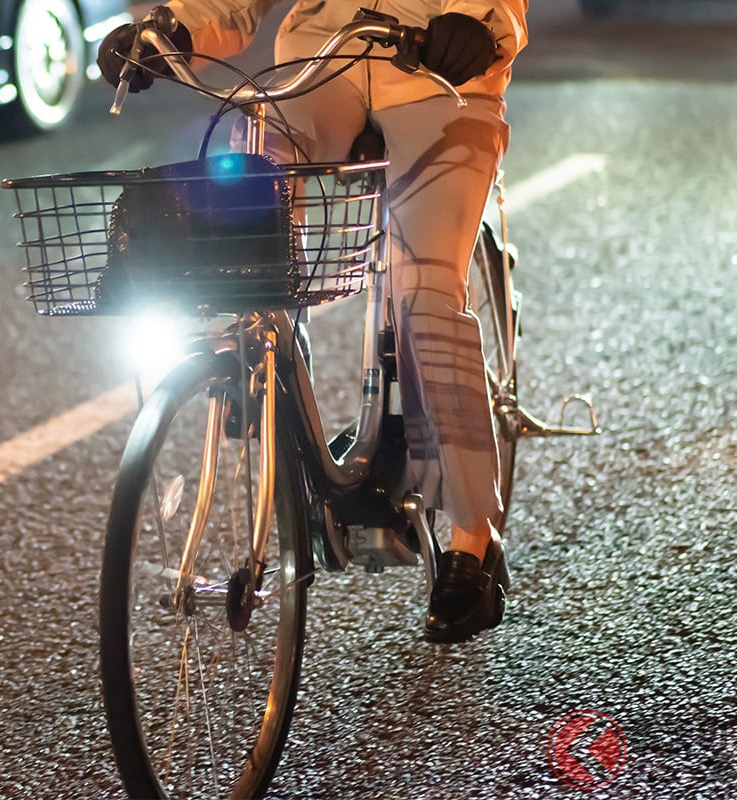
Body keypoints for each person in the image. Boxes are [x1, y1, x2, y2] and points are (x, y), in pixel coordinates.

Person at [97, 0, 528, 644]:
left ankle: (474, 539)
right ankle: (263, 346)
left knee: (424, 292)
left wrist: (477, 22)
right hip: (323, 61)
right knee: (256, 158)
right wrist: (175, 26)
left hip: (442, 76)